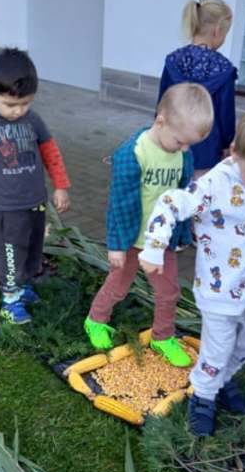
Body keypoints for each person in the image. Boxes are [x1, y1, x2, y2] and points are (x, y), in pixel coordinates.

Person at [139, 106, 245, 435]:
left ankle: (223, 380)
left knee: (244, 348)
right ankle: (203, 396)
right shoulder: (216, 182)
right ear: (235, 152)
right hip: (219, 290)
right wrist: (154, 247)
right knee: (217, 349)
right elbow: (171, 203)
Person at [85, 83, 213, 367]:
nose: (185, 148)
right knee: (118, 286)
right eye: (180, 141)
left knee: (169, 292)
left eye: (189, 144)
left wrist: (180, 236)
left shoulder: (183, 156)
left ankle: (162, 336)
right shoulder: (133, 154)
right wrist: (116, 246)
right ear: (161, 121)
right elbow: (119, 205)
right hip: (133, 240)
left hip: (161, 242)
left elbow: (182, 198)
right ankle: (96, 320)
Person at [0, 48, 71, 325]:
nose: (19, 111)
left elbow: (51, 153)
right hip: (4, 205)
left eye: (26, 103)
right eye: (11, 104)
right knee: (11, 251)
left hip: (35, 200)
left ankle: (23, 286)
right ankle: (10, 300)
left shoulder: (34, 121)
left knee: (33, 247)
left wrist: (60, 185)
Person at [158, 0, 237, 178]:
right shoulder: (224, 69)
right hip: (207, 149)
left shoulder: (173, 61)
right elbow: (226, 115)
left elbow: (162, 103)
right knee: (200, 192)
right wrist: (226, 144)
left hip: (172, 144)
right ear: (217, 31)